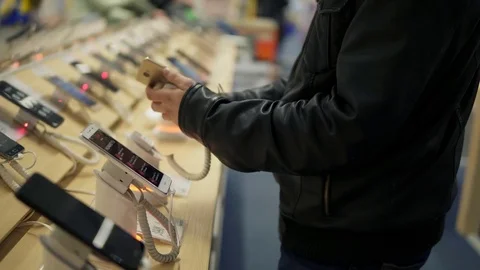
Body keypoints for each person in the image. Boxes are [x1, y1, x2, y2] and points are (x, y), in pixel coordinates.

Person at [146, 0, 480, 269]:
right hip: (346, 221)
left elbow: (344, 127)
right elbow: (307, 89)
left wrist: (207, 116)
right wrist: (211, 106)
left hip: (359, 236)